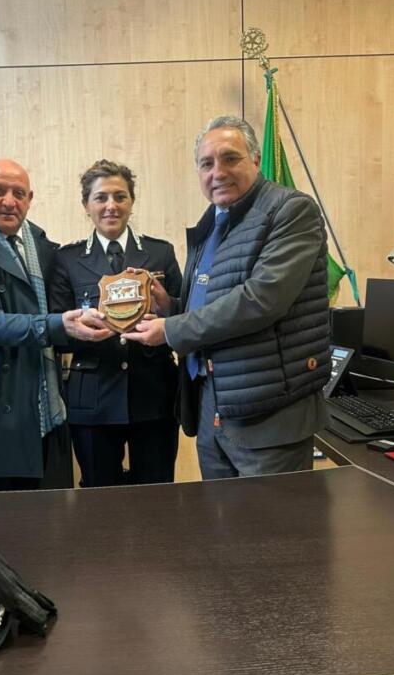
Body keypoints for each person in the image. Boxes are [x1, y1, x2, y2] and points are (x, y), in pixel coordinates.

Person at [123, 116, 331, 478]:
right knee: (220, 514)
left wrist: (171, 330)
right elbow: (213, 303)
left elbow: (260, 300)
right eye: (206, 163)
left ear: (256, 160)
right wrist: (169, 307)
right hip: (212, 403)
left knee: (272, 515)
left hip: (268, 413)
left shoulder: (291, 210)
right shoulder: (213, 223)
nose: (217, 172)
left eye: (230, 158)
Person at [0, 159, 112, 491]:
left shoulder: (42, 246)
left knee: (46, 518)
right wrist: (59, 325)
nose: (9, 201)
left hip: (43, 411)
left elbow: (66, 301)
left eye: (19, 193)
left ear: (30, 199)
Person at [48, 159, 182, 486]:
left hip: (153, 394)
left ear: (131, 202)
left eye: (120, 197)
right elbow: (57, 332)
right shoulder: (67, 259)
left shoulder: (160, 253)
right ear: (86, 205)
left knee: (157, 492)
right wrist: (81, 329)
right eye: (101, 197)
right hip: (93, 398)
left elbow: (186, 317)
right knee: (99, 499)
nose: (111, 205)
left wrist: (166, 309)